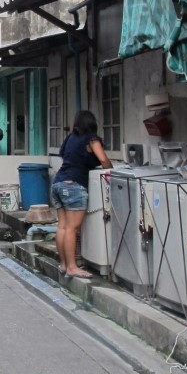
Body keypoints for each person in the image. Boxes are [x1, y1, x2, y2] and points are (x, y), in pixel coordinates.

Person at [51, 110, 113, 279]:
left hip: (58, 183)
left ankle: (64, 264)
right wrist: (111, 167)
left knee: (63, 226)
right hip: (74, 185)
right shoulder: (91, 139)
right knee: (72, 228)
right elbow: (104, 160)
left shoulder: (70, 138)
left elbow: (64, 156)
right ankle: (72, 267)